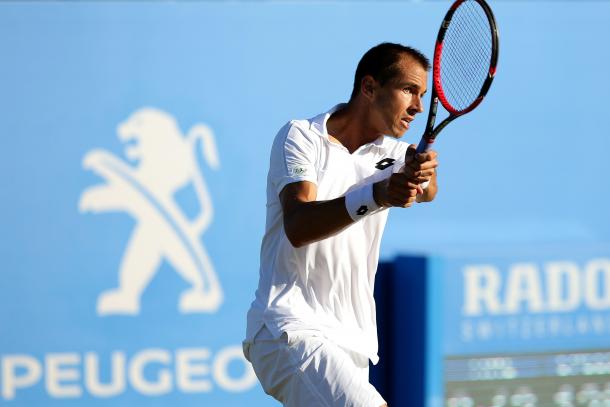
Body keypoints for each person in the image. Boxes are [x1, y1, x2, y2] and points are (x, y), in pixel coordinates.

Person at [243, 42, 439, 407]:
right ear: (369, 88)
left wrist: (421, 175)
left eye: (423, 95)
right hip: (289, 327)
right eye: (408, 90)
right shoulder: (301, 137)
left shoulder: (397, 156)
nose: (417, 106)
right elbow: (299, 225)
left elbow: (428, 189)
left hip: (352, 343)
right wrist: (378, 195)